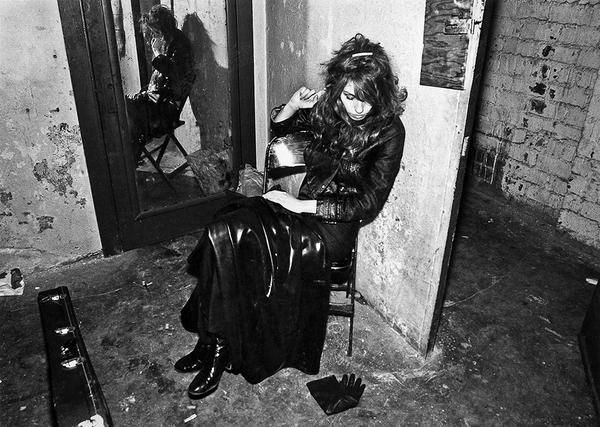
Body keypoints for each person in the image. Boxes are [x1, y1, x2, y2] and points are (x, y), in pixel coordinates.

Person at [175, 33, 407, 400]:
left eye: (367, 98)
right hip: (300, 209)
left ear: (380, 92)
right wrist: (292, 108)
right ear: (338, 89)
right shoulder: (333, 111)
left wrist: (300, 205)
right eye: (349, 96)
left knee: (238, 237)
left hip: (331, 227)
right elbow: (285, 136)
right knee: (224, 228)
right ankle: (213, 342)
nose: (357, 107)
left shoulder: (389, 132)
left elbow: (368, 203)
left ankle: (217, 348)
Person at [126, 5, 195, 154]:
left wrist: (157, 53)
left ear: (164, 27)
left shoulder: (179, 44)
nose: (154, 36)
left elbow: (173, 74)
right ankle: (133, 151)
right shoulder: (167, 40)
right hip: (158, 100)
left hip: (167, 108)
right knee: (126, 109)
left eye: (156, 31)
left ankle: (133, 153)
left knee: (128, 112)